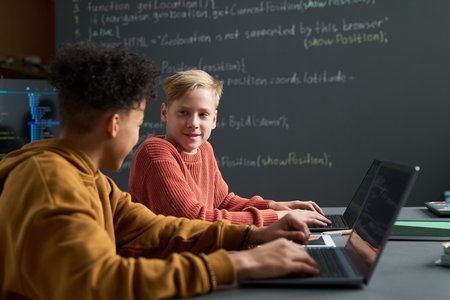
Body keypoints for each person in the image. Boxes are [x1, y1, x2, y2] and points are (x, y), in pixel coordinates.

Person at [0, 42, 321, 300]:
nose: (139, 135)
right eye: (139, 124)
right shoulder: (51, 183)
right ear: (115, 125)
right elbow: (98, 283)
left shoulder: (89, 178)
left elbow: (155, 230)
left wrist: (253, 235)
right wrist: (239, 263)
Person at [129, 69, 331, 227]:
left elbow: (223, 202)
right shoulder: (156, 153)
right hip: (165, 268)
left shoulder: (204, 149)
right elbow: (193, 220)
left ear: (214, 119)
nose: (193, 123)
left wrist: (273, 206)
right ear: (165, 113)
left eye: (203, 115)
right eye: (183, 112)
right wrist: (278, 217)